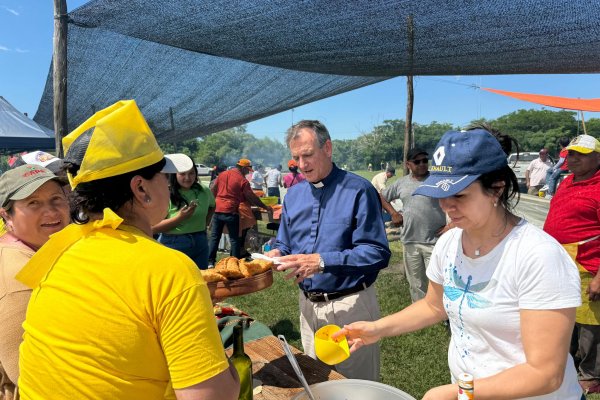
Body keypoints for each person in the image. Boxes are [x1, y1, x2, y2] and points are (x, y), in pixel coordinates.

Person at [334, 128, 582, 399]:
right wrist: (376, 329)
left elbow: (545, 373)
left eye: (460, 195)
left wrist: (457, 392)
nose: (447, 206)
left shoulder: (537, 255)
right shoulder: (450, 243)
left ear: (496, 189)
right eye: (440, 194)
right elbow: (433, 305)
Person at [16, 100, 239, 400]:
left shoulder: (59, 250)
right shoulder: (170, 270)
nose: (168, 182)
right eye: (163, 175)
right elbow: (214, 397)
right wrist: (227, 365)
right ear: (142, 189)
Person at [265, 120, 391, 381]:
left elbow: (377, 252)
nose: (302, 164)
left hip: (350, 304)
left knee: (356, 388)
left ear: (328, 148)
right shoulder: (294, 195)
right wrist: (277, 252)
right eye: (296, 157)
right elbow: (284, 242)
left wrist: (322, 261)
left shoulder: (358, 190)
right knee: (318, 382)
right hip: (308, 305)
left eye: (308, 155)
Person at [0, 165, 70, 400]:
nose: (51, 211)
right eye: (33, 203)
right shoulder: (18, 275)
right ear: (6, 216)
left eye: (56, 199)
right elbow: (24, 372)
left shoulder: (40, 252)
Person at [544, 134, 600, 394]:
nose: (573, 158)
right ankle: (568, 363)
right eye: (571, 153)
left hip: (589, 263)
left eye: (581, 154)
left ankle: (591, 373)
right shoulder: (566, 182)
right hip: (560, 261)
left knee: (590, 323)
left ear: (597, 157)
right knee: (563, 315)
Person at [380, 148, 447, 302]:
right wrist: (393, 213)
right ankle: (419, 310)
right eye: (417, 161)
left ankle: (442, 311)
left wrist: (451, 225)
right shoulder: (401, 183)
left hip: (435, 241)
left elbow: (457, 201)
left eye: (425, 160)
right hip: (410, 240)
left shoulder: (437, 180)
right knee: (416, 282)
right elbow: (382, 196)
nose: (422, 164)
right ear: (408, 164)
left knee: (438, 280)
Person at [153, 154, 215, 270]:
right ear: (174, 174)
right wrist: (180, 217)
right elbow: (153, 228)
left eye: (191, 173)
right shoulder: (165, 194)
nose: (187, 177)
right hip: (173, 244)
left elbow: (212, 206)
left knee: (201, 281)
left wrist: (205, 223)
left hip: (200, 241)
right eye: (182, 173)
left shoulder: (204, 190)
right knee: (177, 283)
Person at [208, 158, 271, 266]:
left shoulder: (222, 175)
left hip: (218, 210)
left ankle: (210, 262)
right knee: (235, 239)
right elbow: (251, 197)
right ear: (243, 168)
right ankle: (234, 263)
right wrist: (264, 206)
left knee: (214, 237)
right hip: (231, 211)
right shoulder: (242, 180)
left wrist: (213, 203)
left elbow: (213, 189)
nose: (248, 173)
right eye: (247, 170)